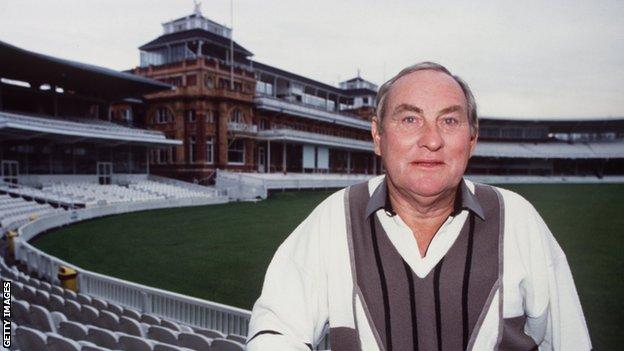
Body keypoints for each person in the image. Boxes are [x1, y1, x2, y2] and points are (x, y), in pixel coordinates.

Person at [246, 62, 591, 350]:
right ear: (378, 137)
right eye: (410, 119)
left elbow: (569, 339)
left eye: (450, 121)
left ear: (472, 139)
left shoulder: (518, 219)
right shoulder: (333, 219)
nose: (431, 139)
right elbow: (275, 331)